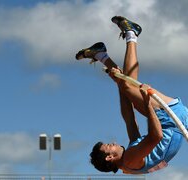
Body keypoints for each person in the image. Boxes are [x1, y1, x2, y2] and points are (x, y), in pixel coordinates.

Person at [75, 16, 188, 174]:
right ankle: (130, 35)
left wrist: (119, 85)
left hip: (172, 120)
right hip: (171, 119)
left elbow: (129, 118)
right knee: (128, 85)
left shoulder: (129, 159)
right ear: (109, 157)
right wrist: (147, 102)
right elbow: (156, 136)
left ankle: (101, 55)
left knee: (127, 86)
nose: (113, 142)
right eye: (109, 146)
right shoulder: (130, 160)